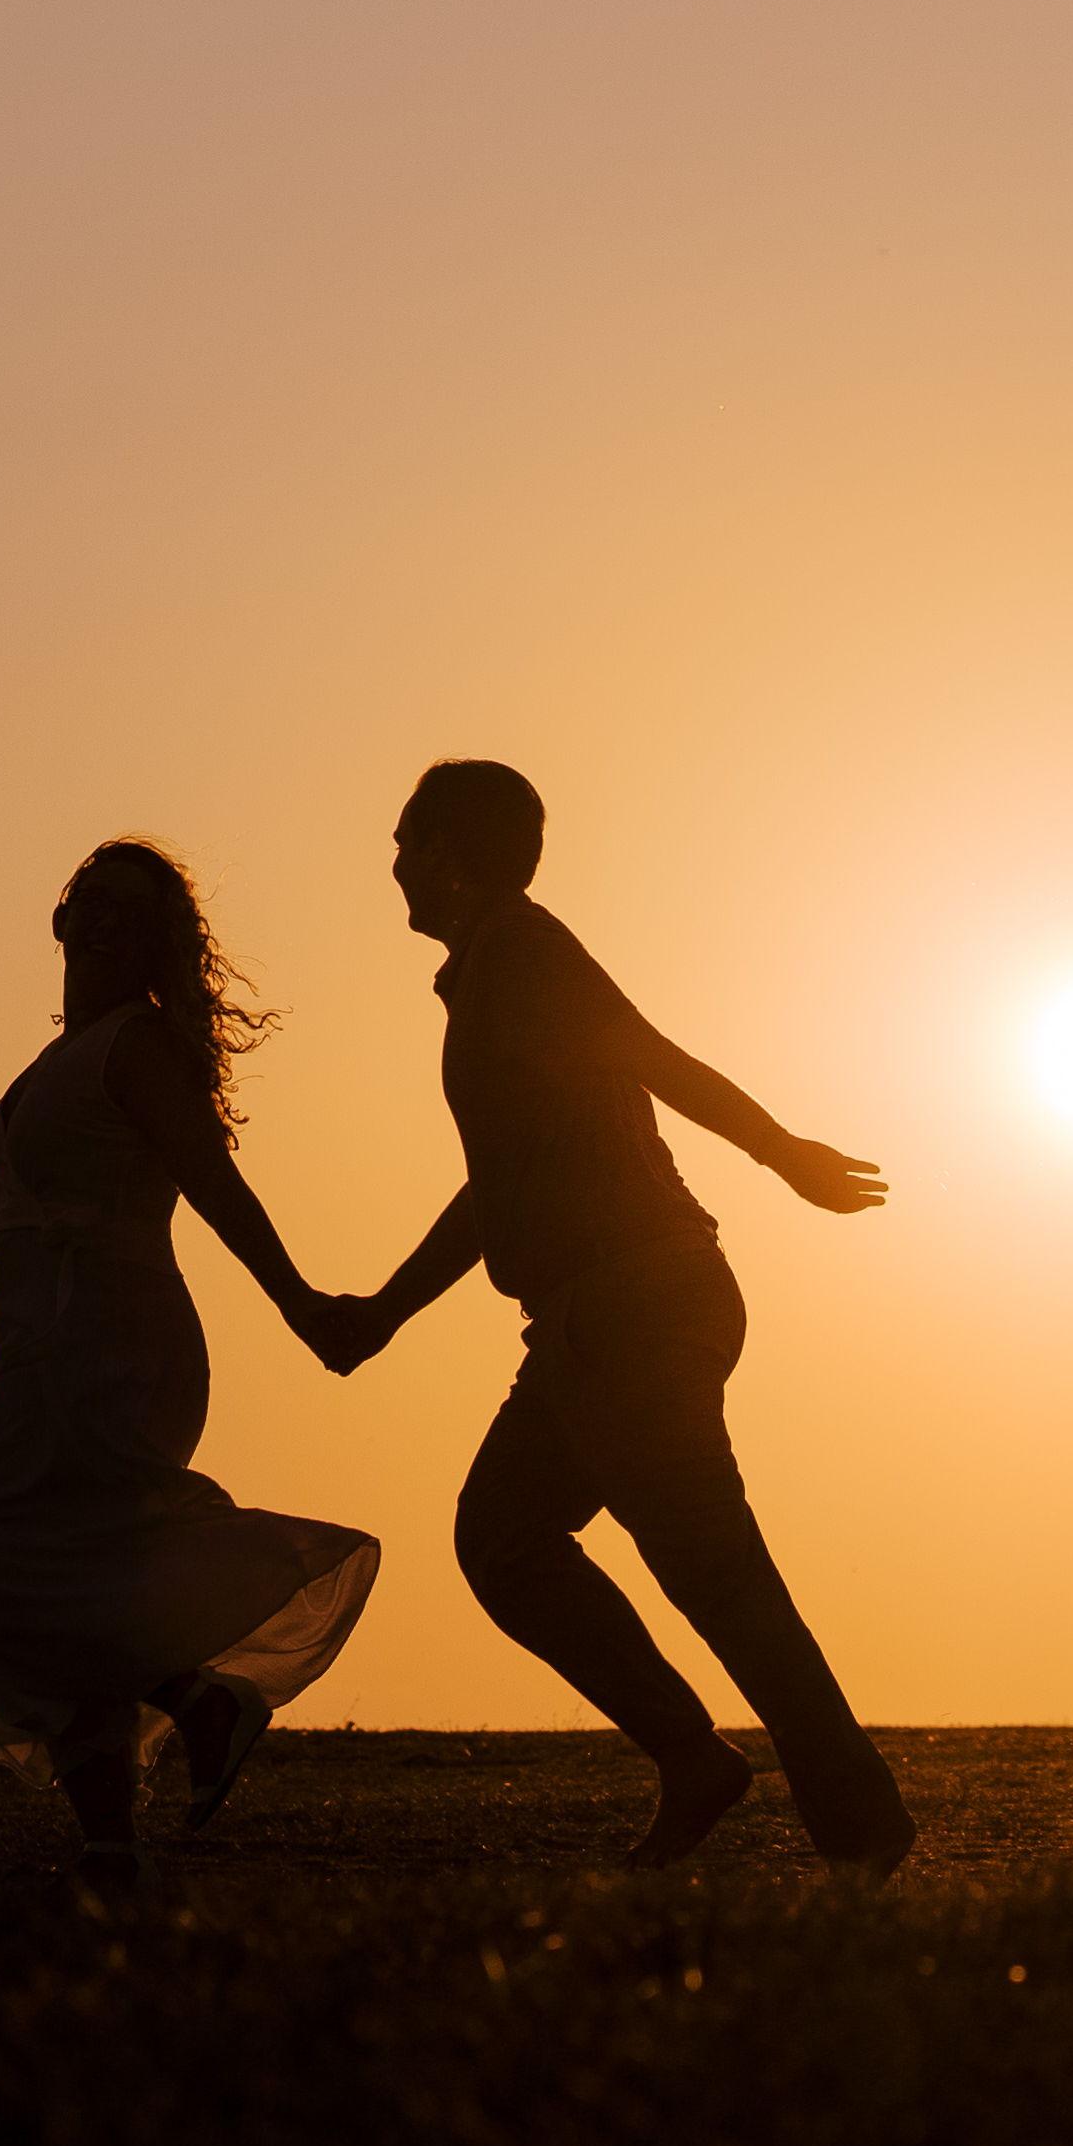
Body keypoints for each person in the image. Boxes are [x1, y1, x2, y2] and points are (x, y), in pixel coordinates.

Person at [306, 758, 917, 1869]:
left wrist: (781, 1154)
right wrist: (385, 1311)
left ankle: (861, 1831)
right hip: (588, 1326)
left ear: (459, 851)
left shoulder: (530, 956)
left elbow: (654, 1058)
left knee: (715, 1574)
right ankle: (696, 1760)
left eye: (410, 838)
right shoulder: (488, 975)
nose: (393, 860)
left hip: (640, 1302)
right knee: (502, 1537)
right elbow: (495, 1188)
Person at [0, 839, 382, 1854]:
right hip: (47, 1344)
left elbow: (212, 1182)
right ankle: (109, 1853)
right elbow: (12, 1174)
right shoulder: (61, 1061)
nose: (95, 927)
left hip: (109, 1344)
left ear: (152, 945)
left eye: (122, 915)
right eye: (85, 905)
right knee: (84, 1575)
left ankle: (191, 1695)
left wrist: (300, 1303)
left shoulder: (134, 1047)